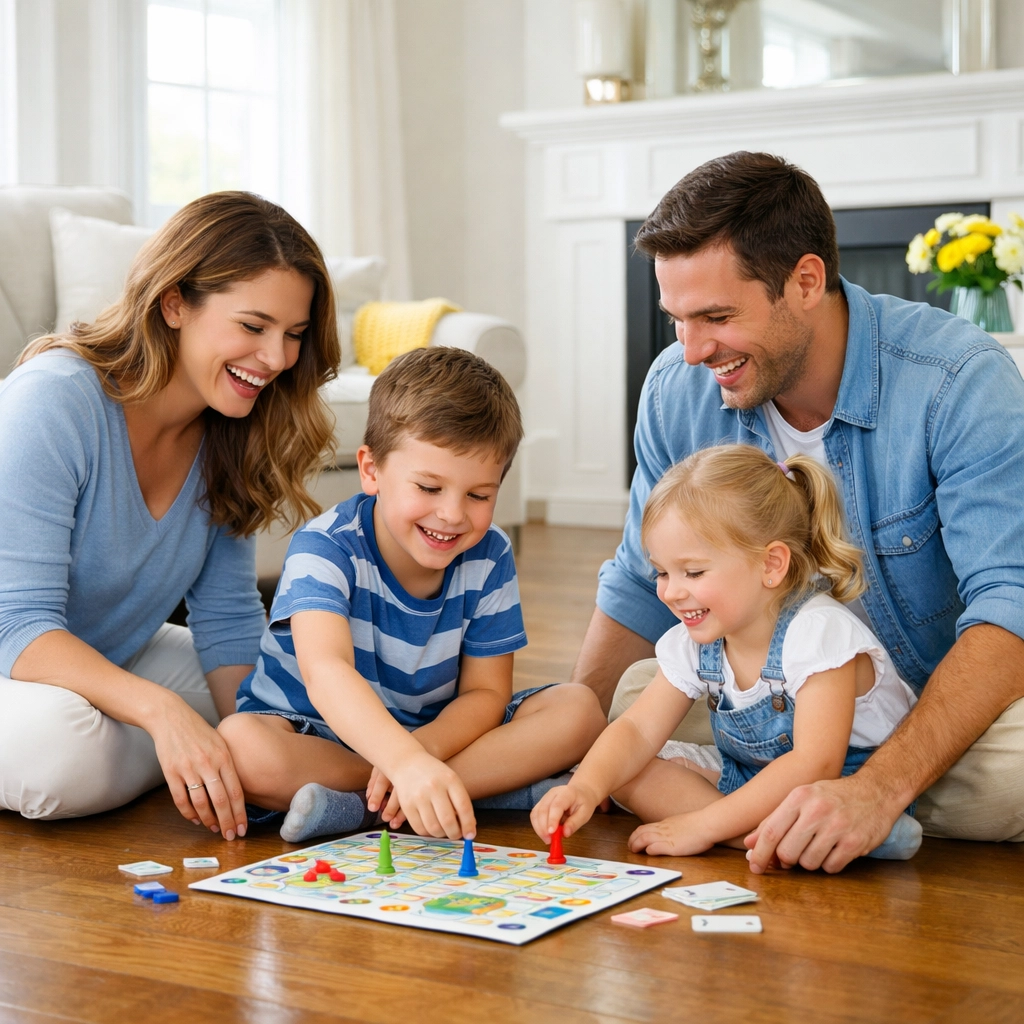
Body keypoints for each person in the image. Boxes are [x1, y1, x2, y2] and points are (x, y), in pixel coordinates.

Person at [571, 151, 1024, 871]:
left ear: (806, 281)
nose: (692, 351)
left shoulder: (957, 380)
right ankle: (798, 819)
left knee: (1016, 770)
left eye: (717, 317)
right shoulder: (676, 389)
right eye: (677, 320)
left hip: (918, 706)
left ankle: (836, 806)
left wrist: (879, 786)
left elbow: (1010, 604)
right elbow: (634, 583)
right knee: (627, 704)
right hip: (765, 701)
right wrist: (576, 753)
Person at [0, 192, 340, 841]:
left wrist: (263, 735)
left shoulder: (230, 433)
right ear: (174, 303)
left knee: (292, 689)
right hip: (14, 658)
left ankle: (253, 765)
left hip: (102, 654)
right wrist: (162, 713)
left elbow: (228, 620)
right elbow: (14, 623)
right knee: (59, 755)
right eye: (254, 326)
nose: (276, 358)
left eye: (294, 335)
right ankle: (201, 760)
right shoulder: (54, 401)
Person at [218, 346, 607, 843]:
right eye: (428, 487)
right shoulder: (324, 547)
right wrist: (403, 762)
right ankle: (451, 791)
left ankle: (369, 805)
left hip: (437, 737)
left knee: (579, 710)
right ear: (371, 470)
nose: (452, 514)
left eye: (479, 495)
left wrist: (421, 753)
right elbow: (326, 672)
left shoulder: (490, 554)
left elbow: (486, 694)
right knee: (243, 747)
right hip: (320, 733)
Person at [534, 444, 921, 861]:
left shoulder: (819, 632)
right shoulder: (697, 639)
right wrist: (585, 787)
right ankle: (758, 837)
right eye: (662, 572)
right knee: (626, 774)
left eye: (693, 572)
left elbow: (815, 764)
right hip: (748, 777)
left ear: (771, 564)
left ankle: (766, 832)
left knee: (790, 803)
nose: (671, 592)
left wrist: (701, 825)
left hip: (835, 790)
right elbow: (638, 730)